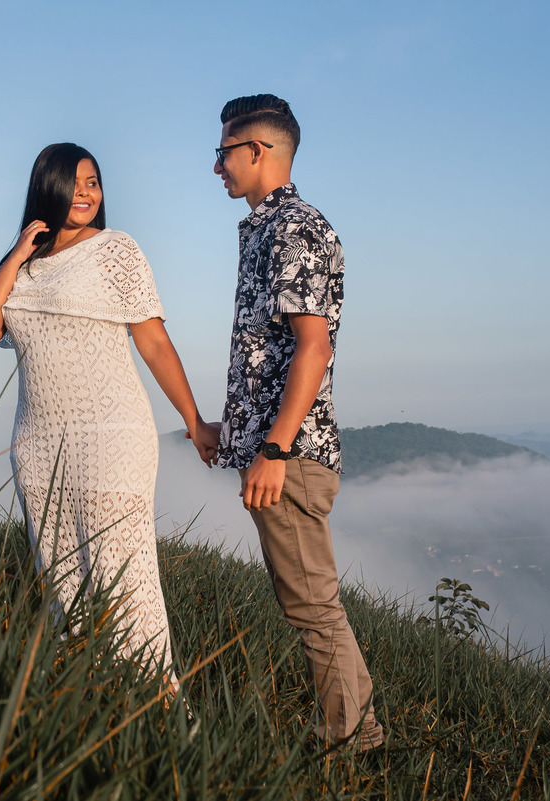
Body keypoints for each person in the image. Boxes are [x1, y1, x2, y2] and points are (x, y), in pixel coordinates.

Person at [0, 143, 218, 691]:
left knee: (120, 574)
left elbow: (152, 342)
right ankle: (90, 697)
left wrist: (194, 421)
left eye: (94, 182)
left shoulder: (116, 251)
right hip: (37, 443)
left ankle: (159, 707)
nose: (86, 192)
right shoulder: (23, 269)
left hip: (112, 435)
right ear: (47, 187)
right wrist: (14, 258)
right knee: (60, 576)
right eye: (75, 182)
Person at [204, 94, 384, 750]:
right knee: (308, 599)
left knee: (311, 603)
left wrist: (274, 448)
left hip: (292, 452)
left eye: (224, 152)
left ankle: (349, 737)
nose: (216, 166)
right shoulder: (268, 227)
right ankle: (352, 726)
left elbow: (313, 345)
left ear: (257, 151)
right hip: (281, 447)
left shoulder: (291, 227)